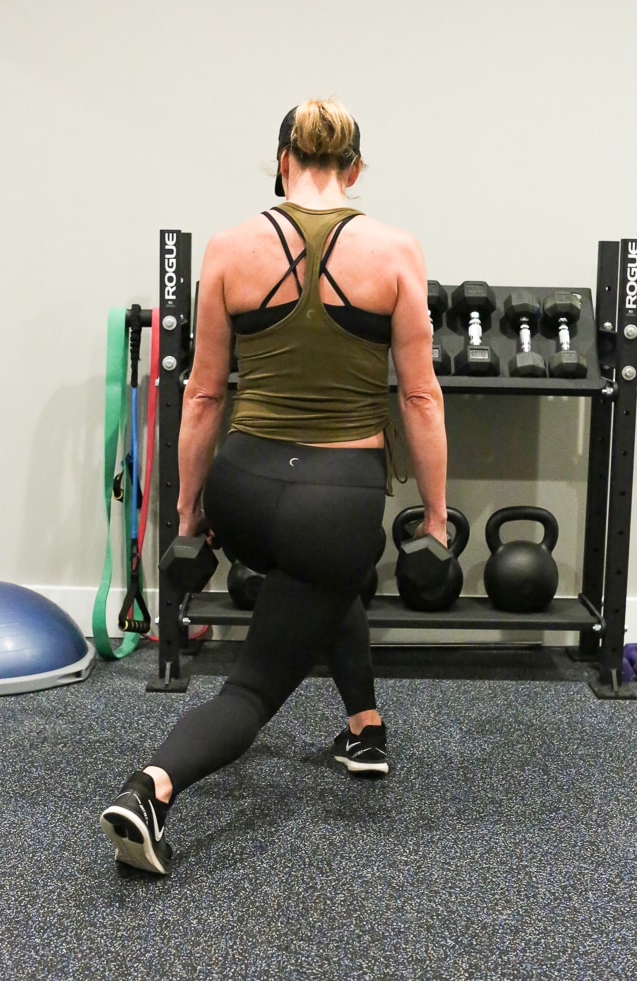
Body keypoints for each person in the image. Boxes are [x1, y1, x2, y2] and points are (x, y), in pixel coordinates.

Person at [100, 99, 448, 874]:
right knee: (253, 691)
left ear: (281, 159)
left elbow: (201, 395)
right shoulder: (394, 250)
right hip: (338, 497)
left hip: (244, 488)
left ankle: (364, 728)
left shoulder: (228, 247)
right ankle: (152, 790)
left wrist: (190, 508)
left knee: (319, 591)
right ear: (354, 169)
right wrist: (433, 515)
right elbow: (420, 397)